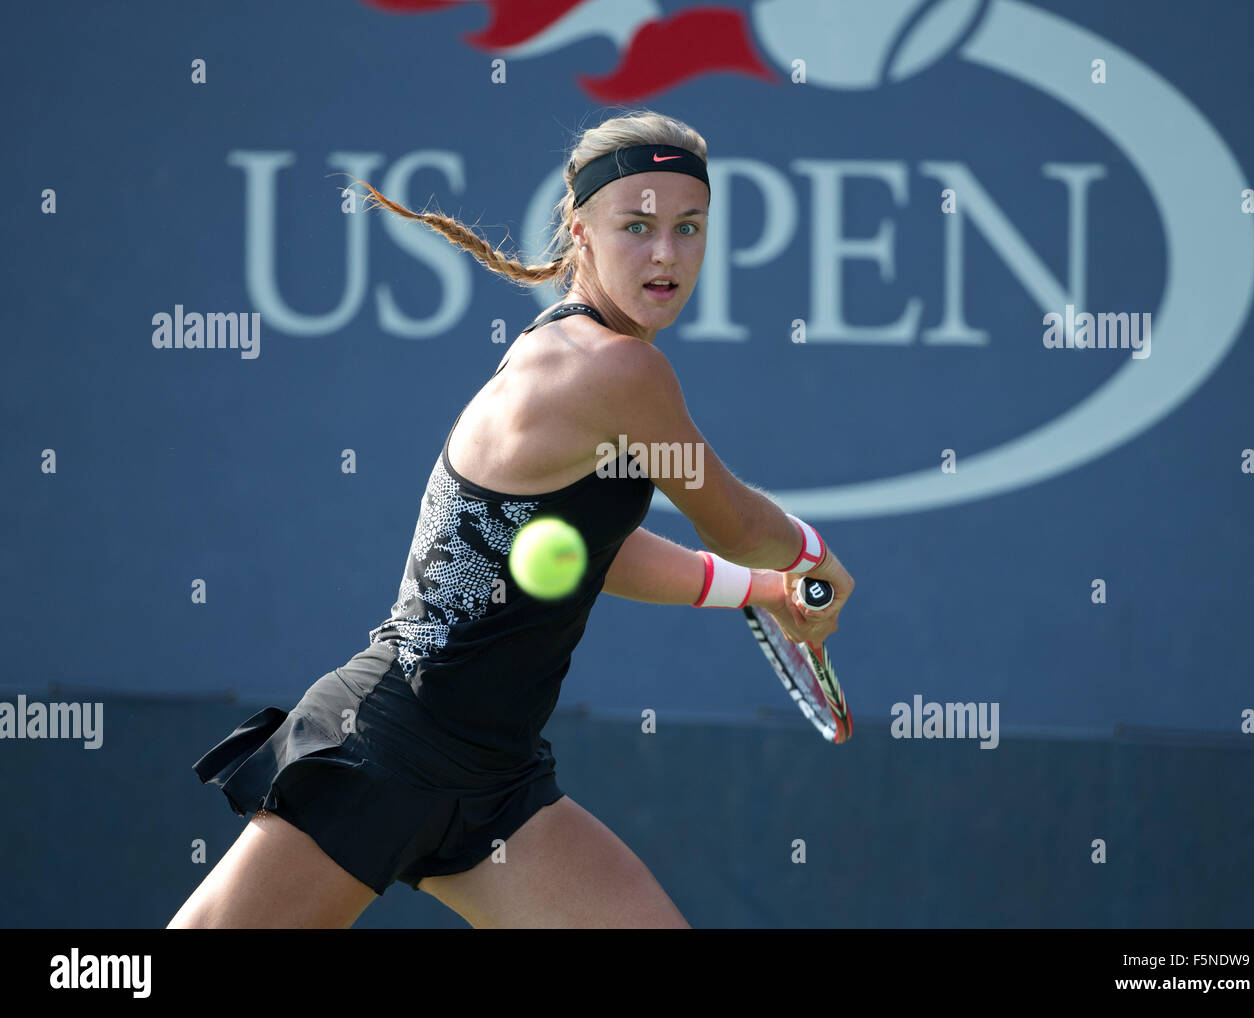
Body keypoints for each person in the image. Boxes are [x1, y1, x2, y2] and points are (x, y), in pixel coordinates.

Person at [167, 109, 854, 930]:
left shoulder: (577, 358)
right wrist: (812, 554)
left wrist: (759, 588)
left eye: (688, 227)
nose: (666, 253)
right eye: (636, 225)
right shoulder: (620, 370)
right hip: (388, 741)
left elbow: (589, 547)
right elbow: (733, 519)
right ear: (582, 231)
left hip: (499, 786)